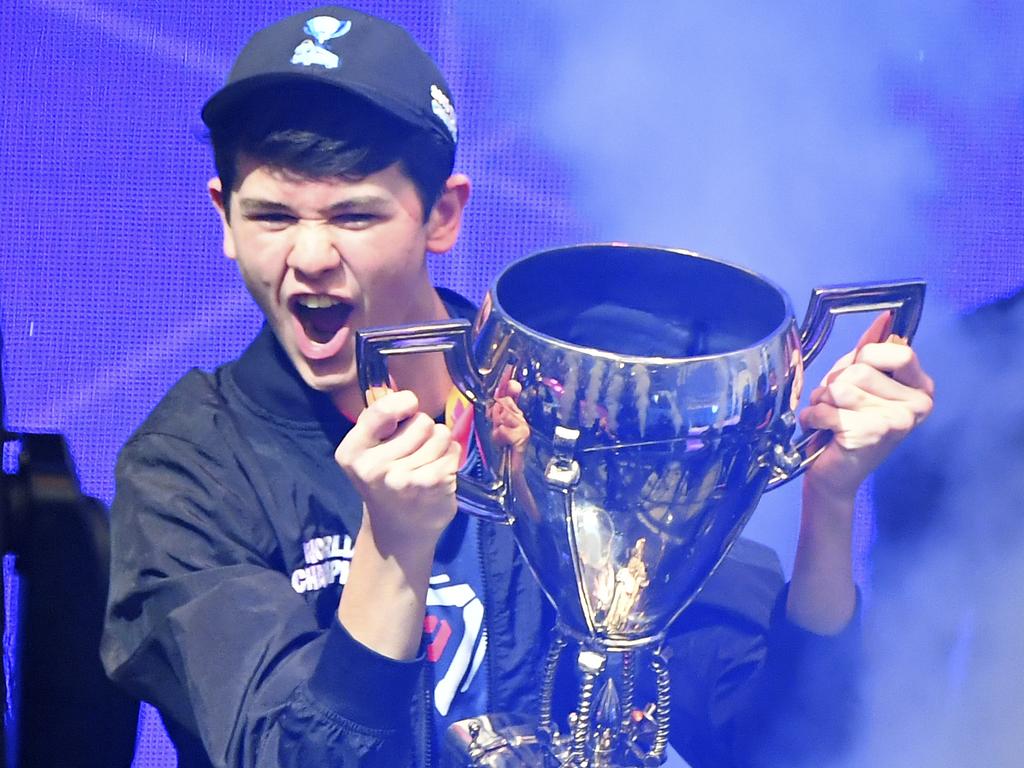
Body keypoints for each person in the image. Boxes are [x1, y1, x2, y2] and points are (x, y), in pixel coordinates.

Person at [100, 6, 935, 767]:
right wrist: (393, 548)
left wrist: (830, 505)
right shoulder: (190, 466)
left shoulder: (574, 403)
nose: (310, 257)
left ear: (443, 216)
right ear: (222, 216)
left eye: (354, 216)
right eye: (273, 216)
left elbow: (784, 740)